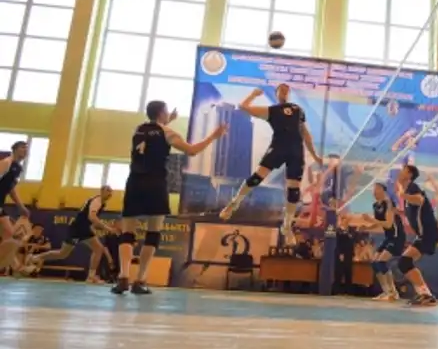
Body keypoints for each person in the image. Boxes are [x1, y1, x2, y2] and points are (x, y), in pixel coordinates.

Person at [112, 101, 227, 295]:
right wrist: (213, 136)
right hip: (155, 183)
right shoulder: (168, 132)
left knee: (127, 233)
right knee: (153, 232)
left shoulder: (138, 129)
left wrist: (167, 122)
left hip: (134, 182)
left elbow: (154, 134)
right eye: (166, 112)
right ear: (161, 113)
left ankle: (123, 277)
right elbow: (192, 150)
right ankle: (140, 280)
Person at [219, 84, 323, 247]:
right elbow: (243, 107)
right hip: (278, 148)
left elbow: (306, 133)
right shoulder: (272, 110)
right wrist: (253, 94)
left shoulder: (298, 110)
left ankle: (287, 226)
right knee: (257, 177)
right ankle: (234, 202)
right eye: (281, 90)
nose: (284, 92)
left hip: (296, 151)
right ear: (276, 94)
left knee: (294, 190)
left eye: (287, 90)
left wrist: (315, 155)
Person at [31, 186, 117, 283]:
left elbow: (87, 218)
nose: (110, 194)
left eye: (111, 192)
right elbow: (92, 217)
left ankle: (91, 276)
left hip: (83, 228)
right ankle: (36, 257)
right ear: (101, 191)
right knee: (63, 254)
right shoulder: (97, 201)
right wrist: (108, 228)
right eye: (108, 191)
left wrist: (93, 228)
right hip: (78, 229)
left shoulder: (100, 202)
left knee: (97, 249)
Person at [397, 164, 438, 307]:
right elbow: (413, 212)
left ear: (409, 175)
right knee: (404, 263)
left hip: (429, 232)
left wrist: (402, 195)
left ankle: (426, 295)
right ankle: (424, 294)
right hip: (424, 234)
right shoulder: (407, 192)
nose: (400, 172)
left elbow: (419, 199)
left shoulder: (412, 187)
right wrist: (397, 211)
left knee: (405, 261)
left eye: (403, 170)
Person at [361, 183, 405, 301]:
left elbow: (388, 224)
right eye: (373, 189)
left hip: (397, 237)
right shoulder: (376, 205)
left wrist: (371, 219)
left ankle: (392, 292)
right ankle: (386, 291)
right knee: (375, 263)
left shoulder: (389, 203)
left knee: (381, 262)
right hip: (388, 237)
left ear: (382, 190)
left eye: (376, 189)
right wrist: (367, 227)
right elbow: (379, 223)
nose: (374, 192)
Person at [0, 141, 31, 271]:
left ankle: (16, 266)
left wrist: (21, 206)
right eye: (22, 147)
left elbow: (11, 189)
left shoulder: (17, 168)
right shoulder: (6, 162)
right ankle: (17, 266)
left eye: (27, 148)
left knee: (9, 234)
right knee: (9, 235)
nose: (25, 150)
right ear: (15, 149)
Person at [333, 214, 356, 295]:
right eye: (344, 219)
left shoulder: (351, 229)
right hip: (340, 253)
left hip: (349, 254)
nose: (345, 220)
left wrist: (353, 254)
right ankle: (336, 290)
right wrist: (340, 253)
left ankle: (348, 291)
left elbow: (352, 239)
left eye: (346, 219)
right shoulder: (338, 230)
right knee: (339, 272)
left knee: (348, 272)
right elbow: (337, 243)